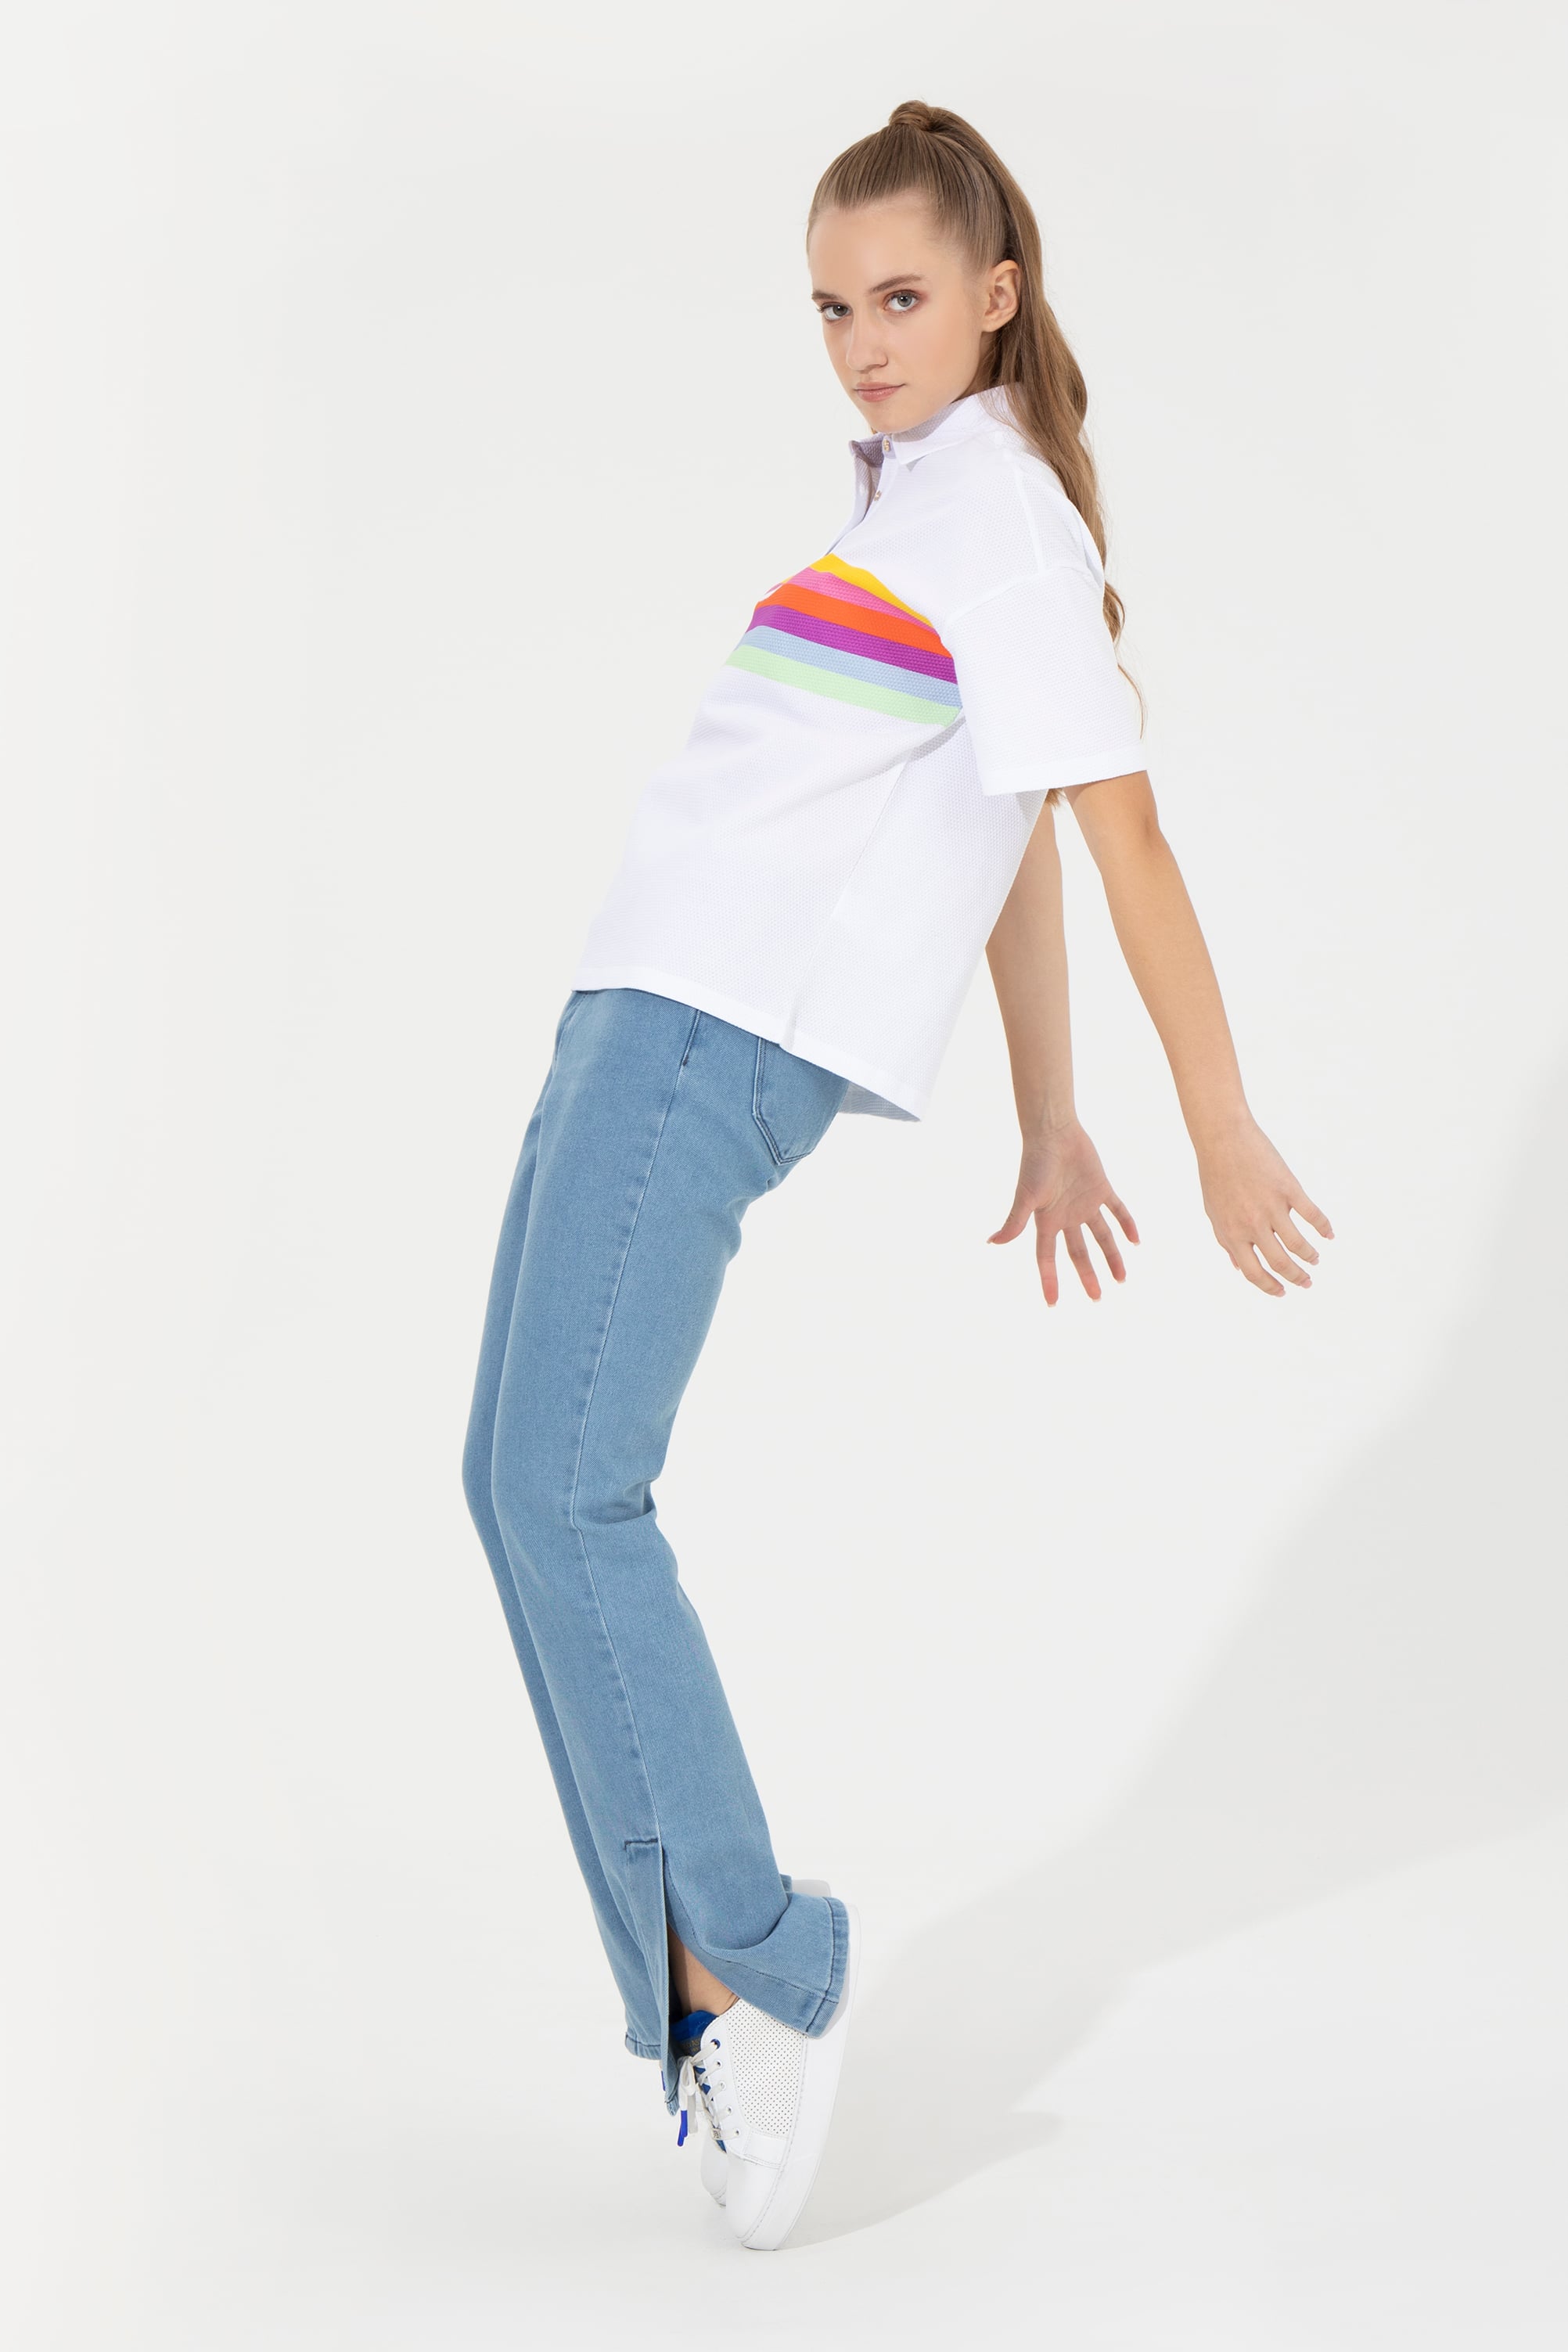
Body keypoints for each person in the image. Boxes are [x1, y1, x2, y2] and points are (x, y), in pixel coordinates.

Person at [461, 99, 1331, 2252]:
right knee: (514, 1484)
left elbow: (1122, 841)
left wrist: (1217, 1121)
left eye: (904, 298)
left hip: (703, 1035)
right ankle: (696, 1997)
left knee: (570, 1494)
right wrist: (1047, 1112)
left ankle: (766, 1968)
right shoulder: (922, 505)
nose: (862, 342)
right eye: (833, 307)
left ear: (998, 296)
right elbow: (1006, 834)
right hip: (635, 1016)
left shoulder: (1001, 522)